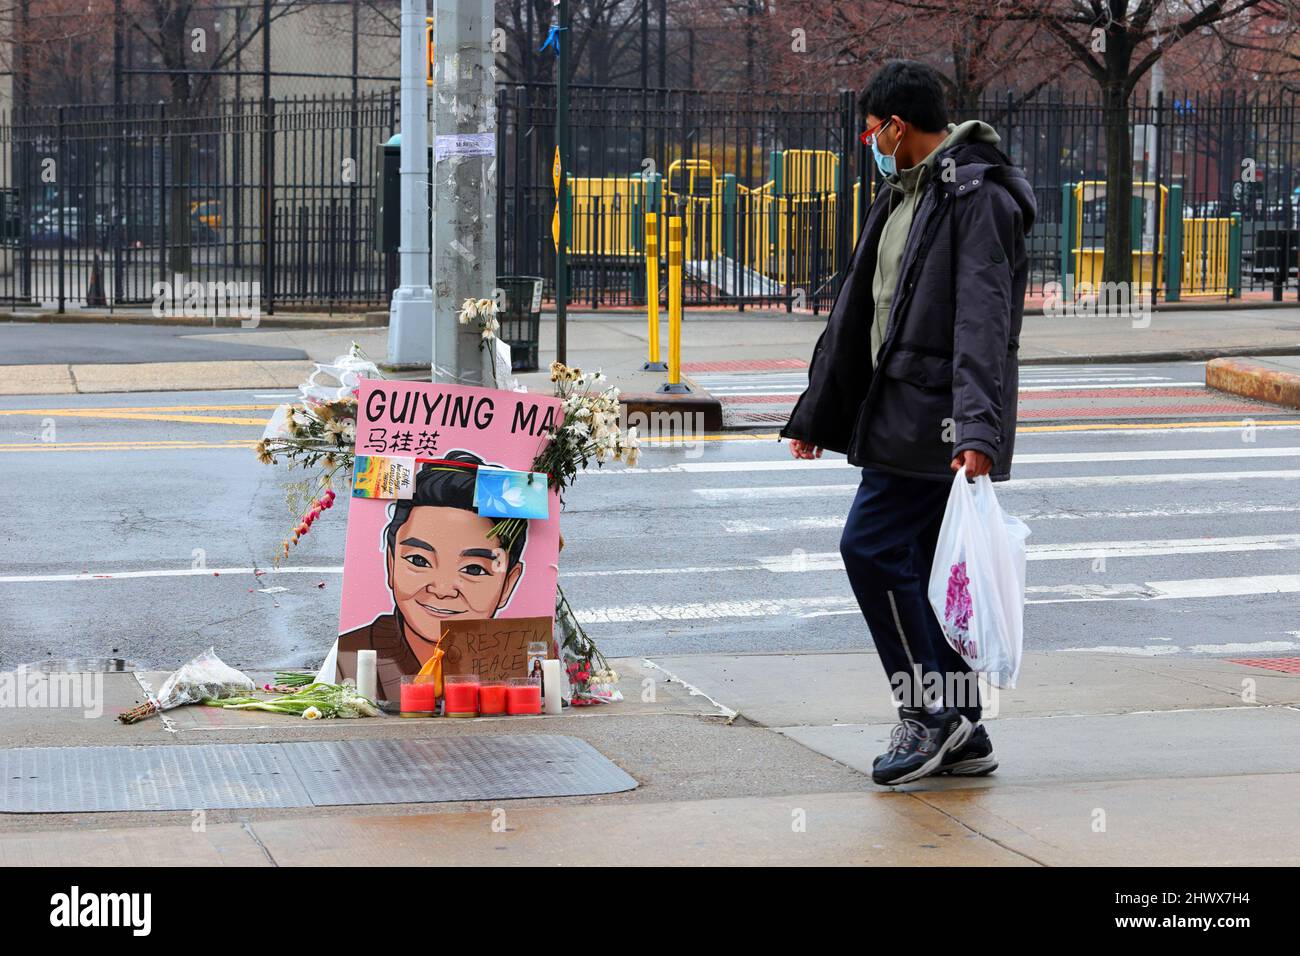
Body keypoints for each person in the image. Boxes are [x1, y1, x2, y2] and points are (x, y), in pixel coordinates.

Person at [780, 60, 1036, 786]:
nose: (869, 139)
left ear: (898, 123)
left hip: (938, 420)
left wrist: (978, 430)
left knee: (868, 547)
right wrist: (818, 414)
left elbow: (984, 320)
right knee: (917, 572)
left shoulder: (975, 196)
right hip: (896, 410)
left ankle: (929, 711)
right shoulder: (904, 192)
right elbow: (864, 312)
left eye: (872, 127)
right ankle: (965, 726)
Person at [337, 450, 527, 701]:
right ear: (391, 562)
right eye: (419, 560)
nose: (442, 588)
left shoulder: (523, 669)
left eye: (473, 569)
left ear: (508, 584)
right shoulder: (349, 660)